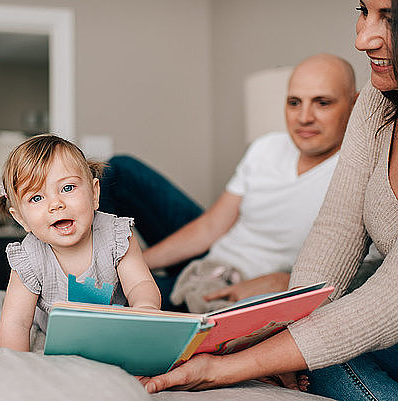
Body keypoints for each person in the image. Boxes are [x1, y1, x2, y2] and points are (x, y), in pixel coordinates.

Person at [140, 0, 398, 398]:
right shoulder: (375, 106)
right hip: (212, 269)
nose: (363, 39)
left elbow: (384, 301)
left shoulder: (343, 148)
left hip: (278, 290)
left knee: (323, 349)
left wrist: (221, 368)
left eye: (391, 19)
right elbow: (336, 233)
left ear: (346, 103)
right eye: (363, 10)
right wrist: (276, 328)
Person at [100, 53, 358, 312]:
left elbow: (371, 269)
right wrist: (131, 264)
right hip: (211, 254)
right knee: (120, 170)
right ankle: (95, 262)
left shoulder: (358, 172)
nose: (304, 117)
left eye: (322, 103)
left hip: (231, 289)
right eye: (294, 102)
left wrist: (288, 283)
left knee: (112, 300)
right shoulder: (266, 147)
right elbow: (211, 226)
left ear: (354, 103)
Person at [0, 134, 161, 352]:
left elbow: (139, 284)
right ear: (21, 219)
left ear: (94, 194)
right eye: (37, 198)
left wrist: (145, 307)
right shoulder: (30, 257)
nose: (56, 204)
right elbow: (17, 323)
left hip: (112, 324)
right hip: (56, 330)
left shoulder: (116, 236)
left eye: (67, 188)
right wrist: (18, 367)